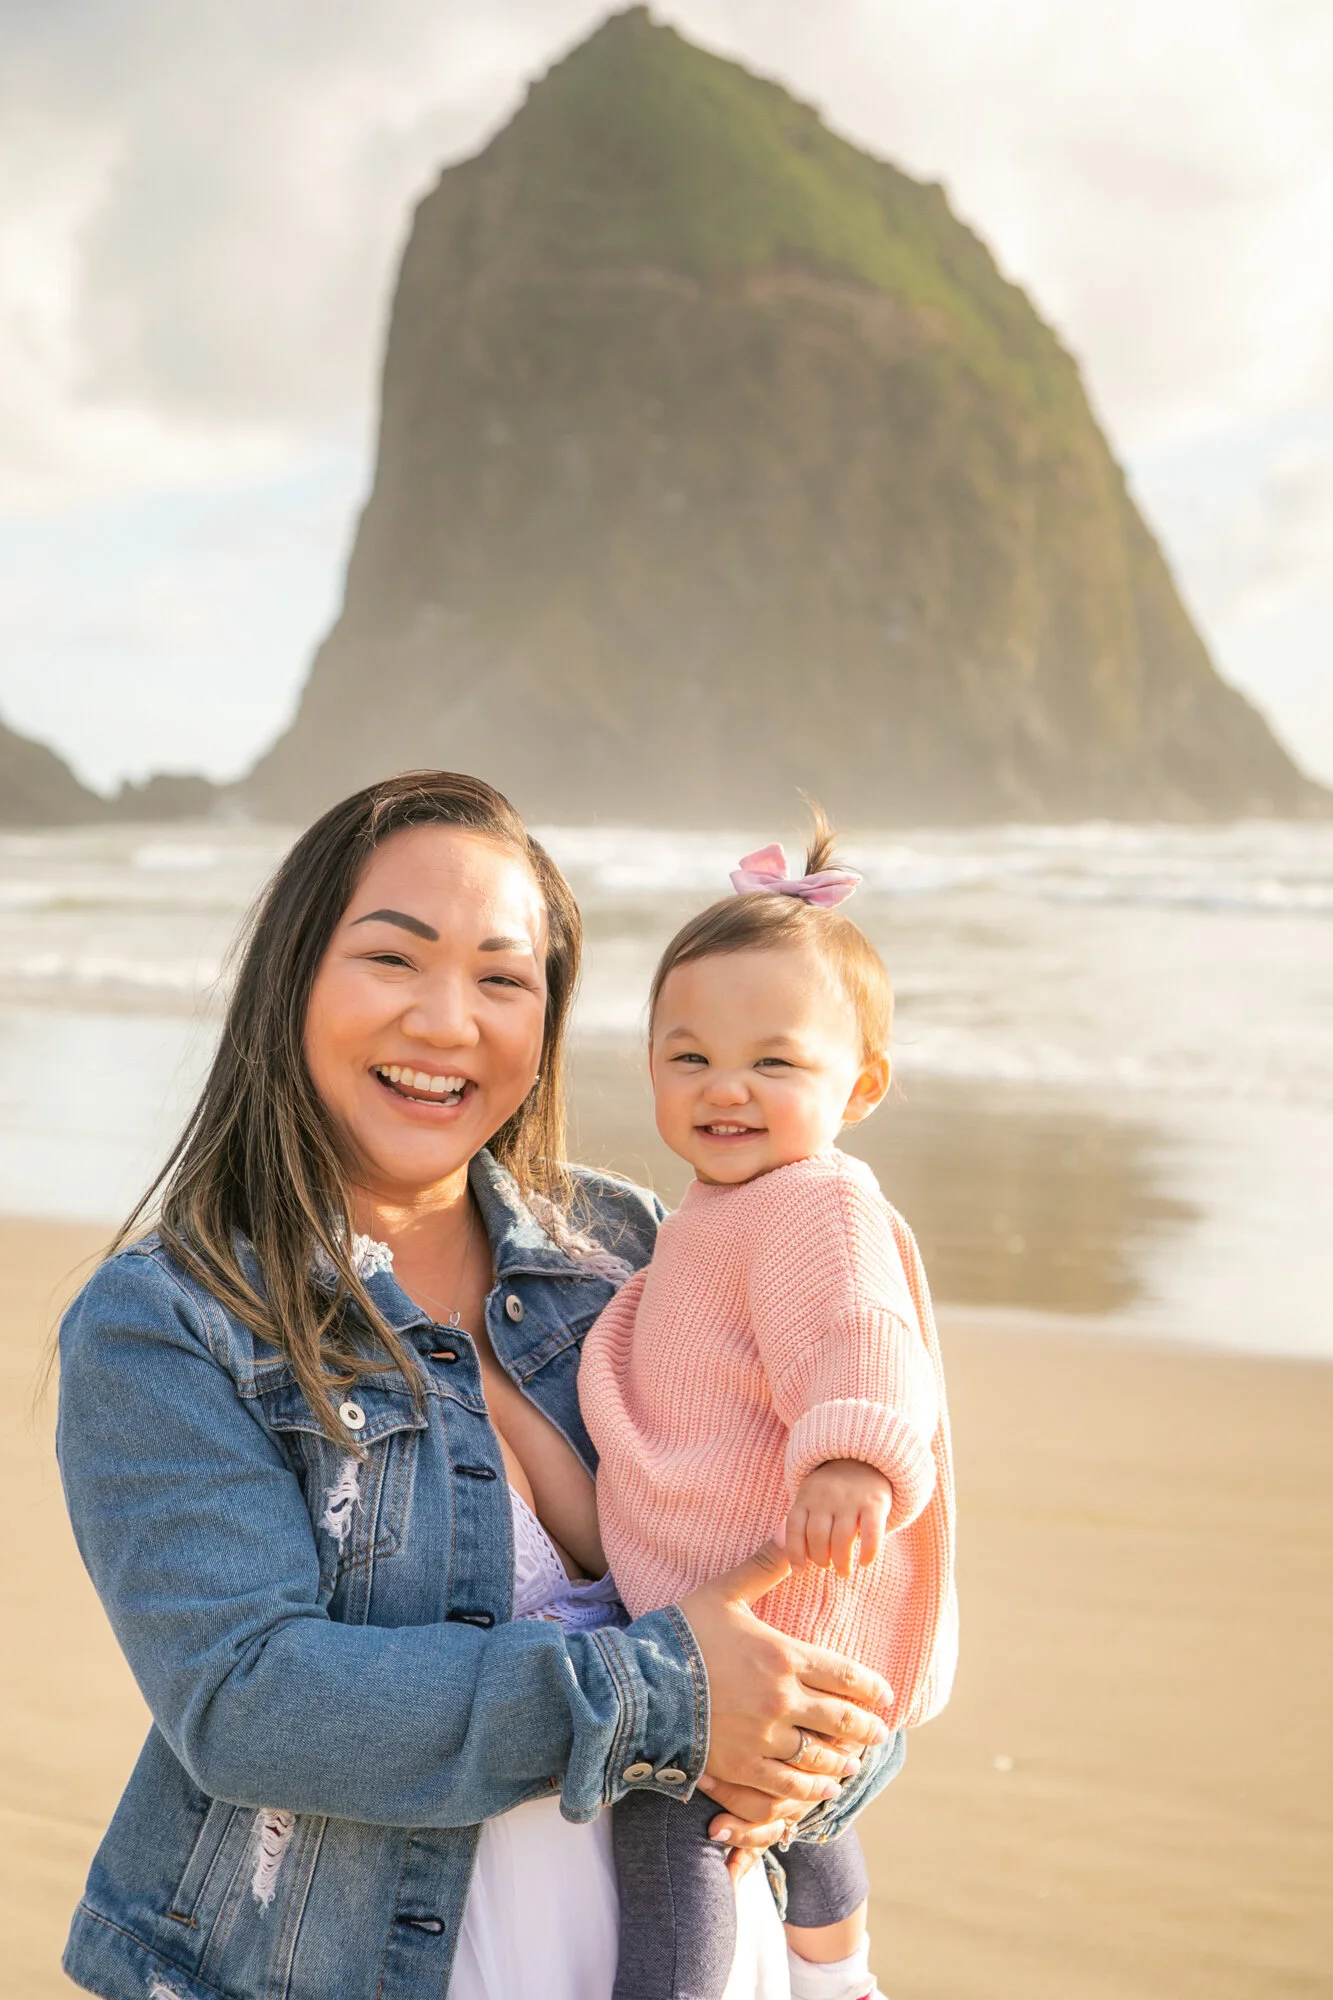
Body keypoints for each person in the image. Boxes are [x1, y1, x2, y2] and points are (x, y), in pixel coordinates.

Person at [54, 773, 897, 2000]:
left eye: (504, 979)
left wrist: (823, 1754)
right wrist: (663, 1694)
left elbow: (835, 1571)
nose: (449, 1022)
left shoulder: (637, 1244)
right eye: (395, 958)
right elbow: (245, 1699)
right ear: (292, 977)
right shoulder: (173, 1319)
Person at [580, 810, 959, 2000]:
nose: (724, 1087)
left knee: (674, 1816)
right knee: (784, 1810)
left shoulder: (816, 1204)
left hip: (778, 1589)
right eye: (687, 1056)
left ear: (863, 1084)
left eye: (775, 1062)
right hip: (734, 1588)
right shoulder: (702, 1213)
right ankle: (837, 1967)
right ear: (649, 1067)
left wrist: (851, 1456)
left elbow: (862, 1333)